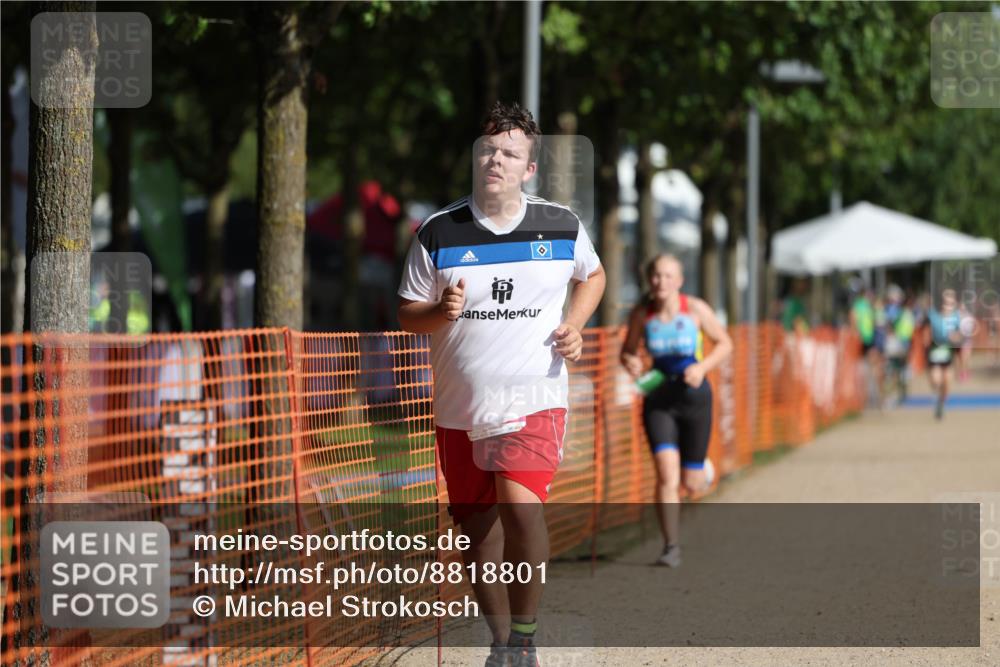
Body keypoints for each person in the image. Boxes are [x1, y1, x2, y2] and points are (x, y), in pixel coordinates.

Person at [397, 101, 605, 667]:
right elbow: (407, 313)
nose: (496, 159)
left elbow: (593, 274)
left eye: (510, 152)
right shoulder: (439, 231)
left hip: (535, 397)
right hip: (461, 408)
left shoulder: (560, 225)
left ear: (528, 168)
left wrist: (575, 326)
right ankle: (500, 642)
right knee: (477, 537)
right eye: (488, 148)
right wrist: (439, 311)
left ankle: (527, 636)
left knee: (521, 508)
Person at [619, 254, 732, 568]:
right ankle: (670, 546)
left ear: (679, 281)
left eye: (668, 276)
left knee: (691, 482)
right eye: (656, 276)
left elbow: (725, 343)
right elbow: (627, 351)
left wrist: (702, 367)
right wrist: (630, 361)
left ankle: (702, 470)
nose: (661, 282)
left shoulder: (694, 309)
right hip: (659, 399)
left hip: (695, 397)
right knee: (666, 474)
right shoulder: (643, 314)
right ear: (649, 279)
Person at [924, 288, 963, 420]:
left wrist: (955, 338)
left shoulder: (956, 317)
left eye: (951, 302)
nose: (947, 305)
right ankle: (936, 394)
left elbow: (960, 337)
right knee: (936, 380)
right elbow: (925, 333)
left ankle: (941, 404)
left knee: (946, 382)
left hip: (948, 352)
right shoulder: (932, 315)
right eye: (946, 301)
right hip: (934, 351)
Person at [881, 285, 915, 406]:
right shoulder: (903, 312)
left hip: (898, 346)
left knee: (895, 371)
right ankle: (895, 393)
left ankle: (897, 392)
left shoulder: (898, 312)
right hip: (896, 346)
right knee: (893, 371)